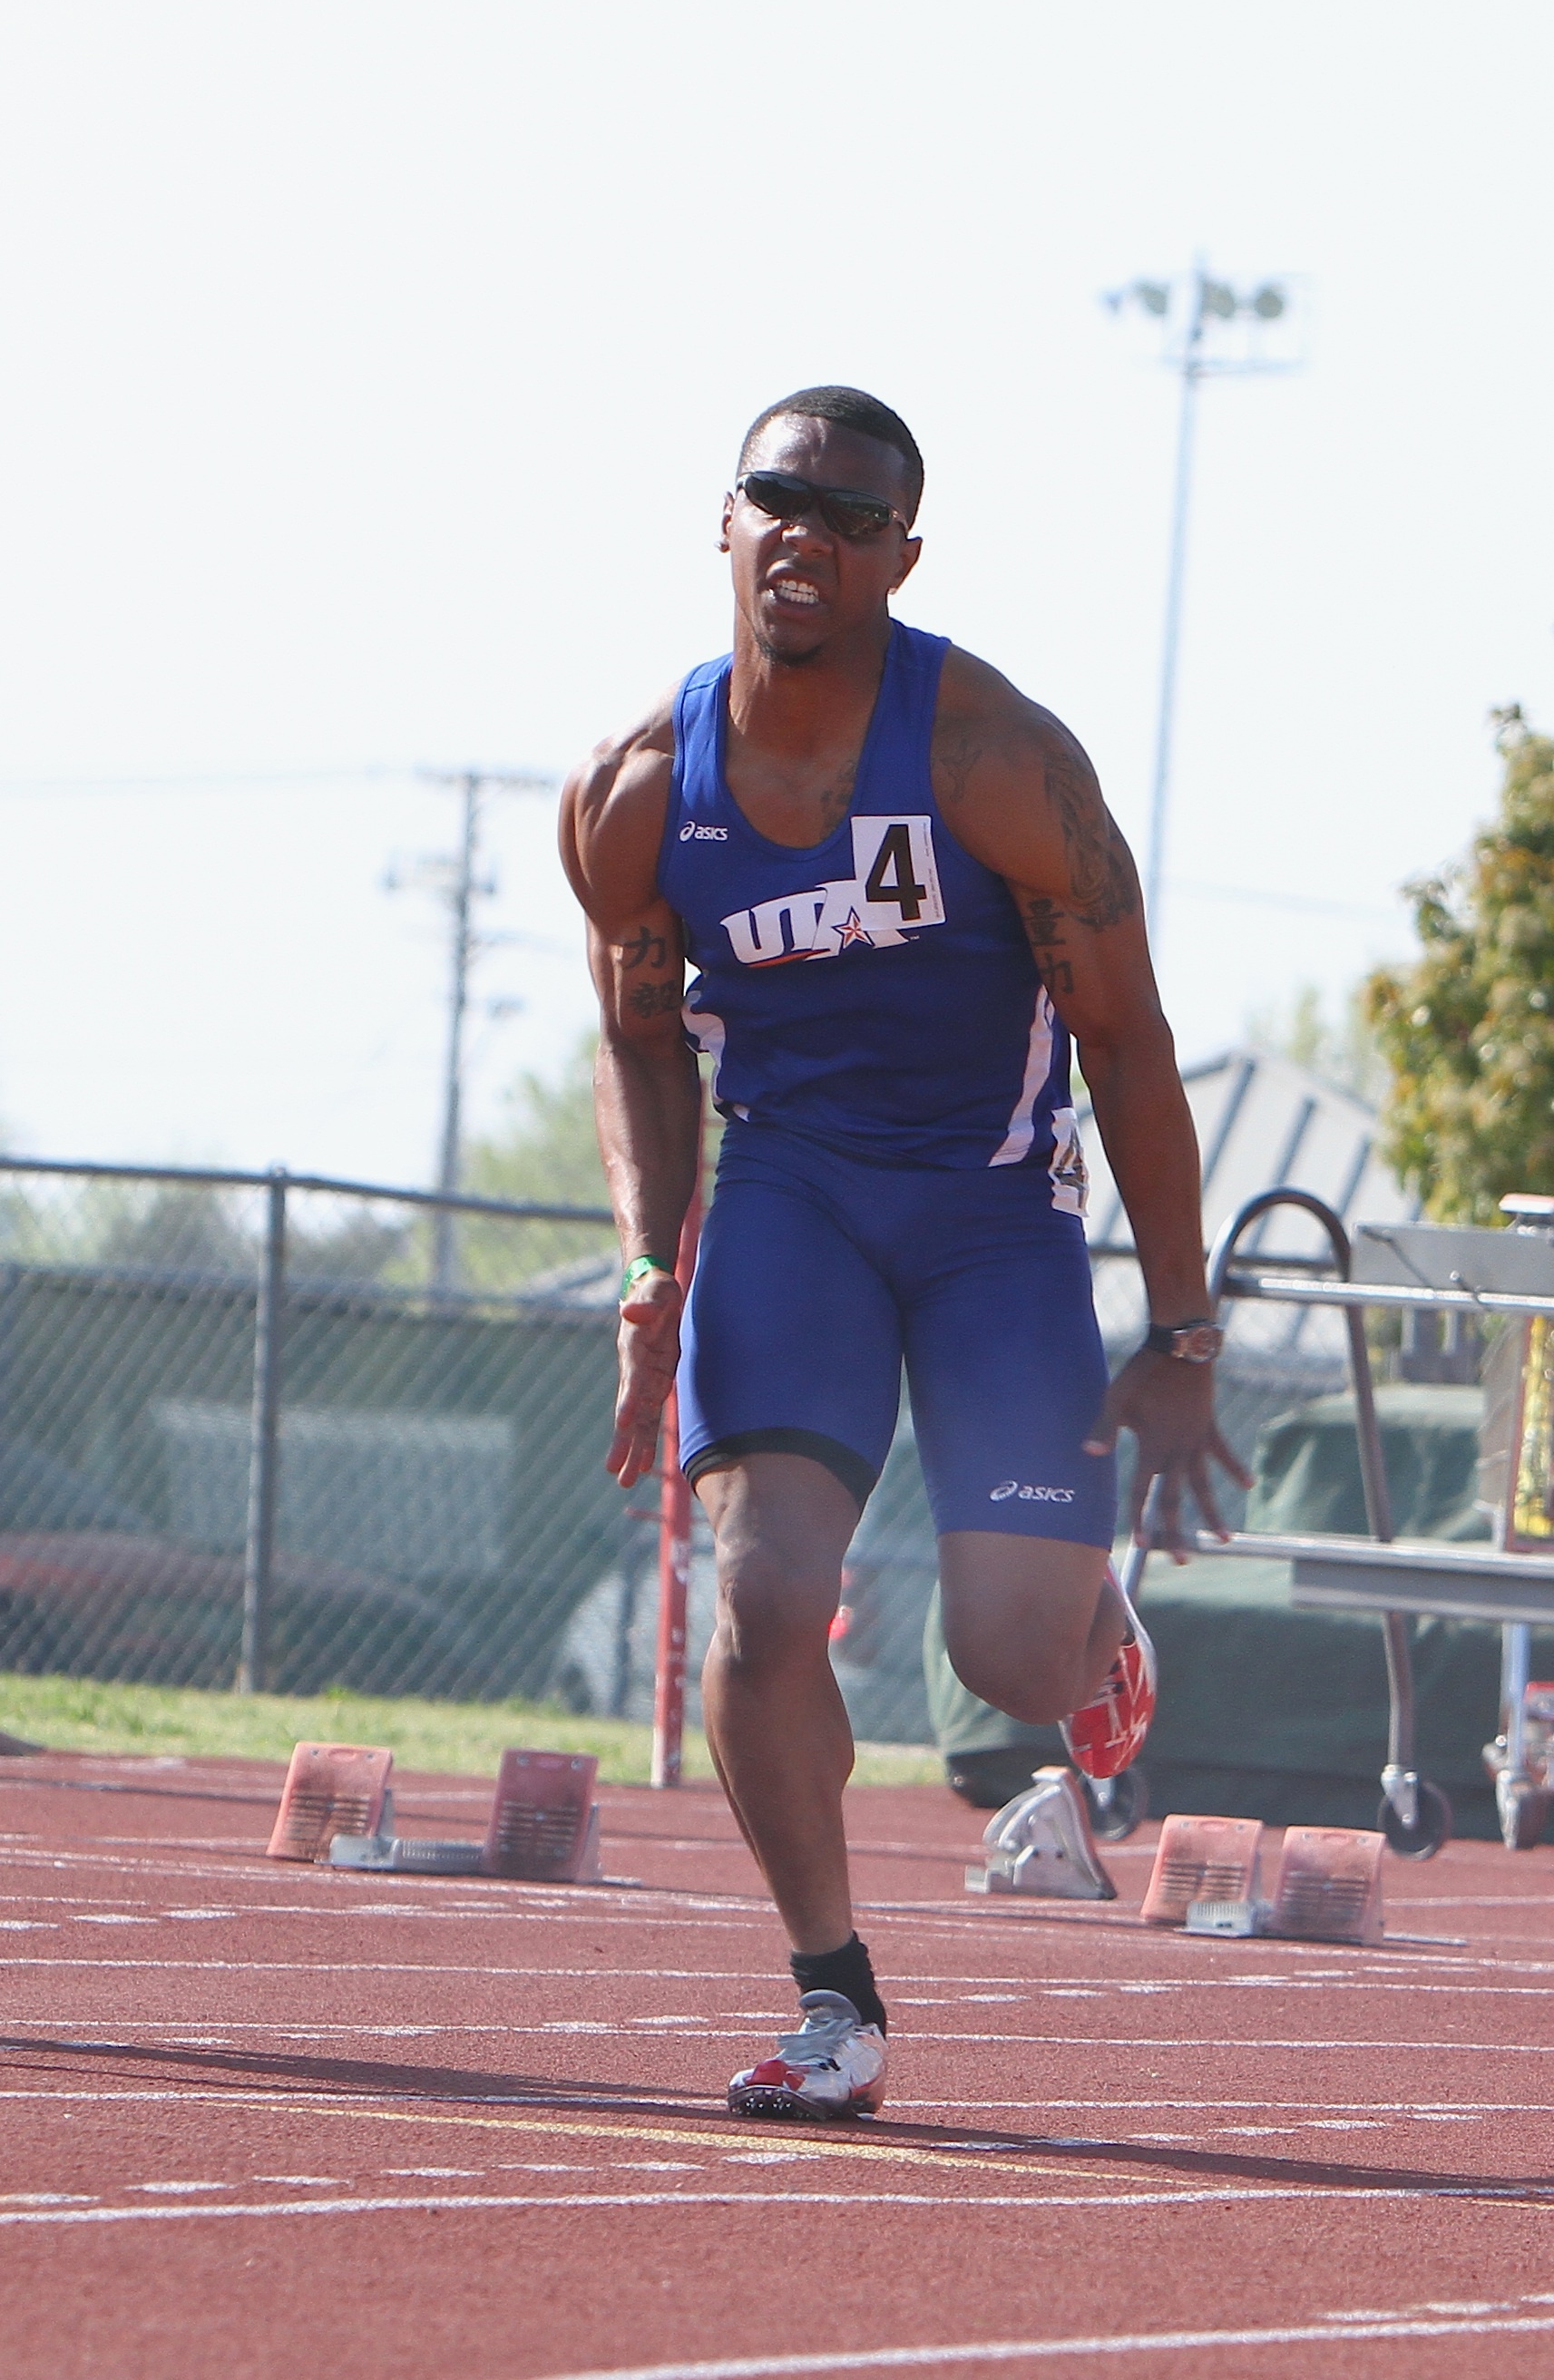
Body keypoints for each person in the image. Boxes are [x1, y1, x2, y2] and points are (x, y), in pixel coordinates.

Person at [560, 385, 1243, 2122]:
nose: (808, 532)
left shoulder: (995, 760)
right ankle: (834, 1997)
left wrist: (1179, 1330)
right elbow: (642, 1040)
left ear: (899, 555)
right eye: (777, 497)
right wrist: (653, 1271)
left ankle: (1087, 1622)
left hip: (992, 1214)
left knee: (1013, 1665)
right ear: (723, 522)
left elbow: (1132, 1044)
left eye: (851, 515)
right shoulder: (639, 793)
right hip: (792, 1201)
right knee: (767, 1596)